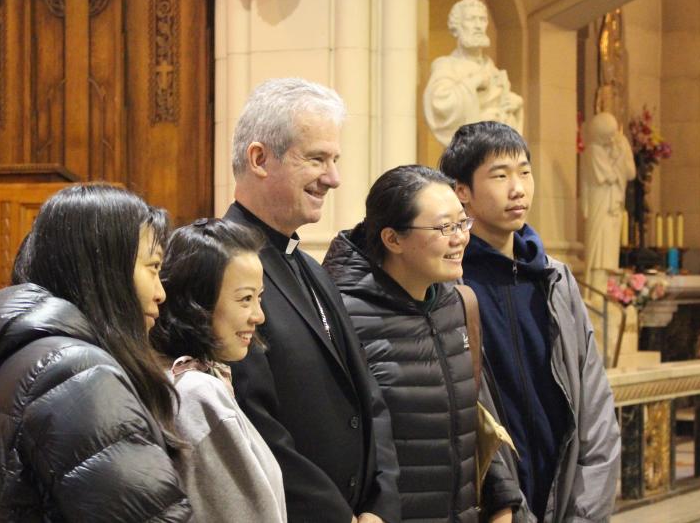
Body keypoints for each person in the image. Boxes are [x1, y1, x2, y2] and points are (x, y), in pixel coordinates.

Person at [0, 184, 192, 522]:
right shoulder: (78, 377)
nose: (160, 293)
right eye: (153, 267)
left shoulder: (31, 361)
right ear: (106, 271)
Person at [224, 77, 400, 523]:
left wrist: (380, 504)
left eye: (335, 159)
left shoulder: (313, 269)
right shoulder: (220, 270)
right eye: (317, 158)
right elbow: (251, 420)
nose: (334, 178)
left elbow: (368, 397)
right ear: (260, 159)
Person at [438, 121, 620, 522]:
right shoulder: (449, 285)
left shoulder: (554, 279)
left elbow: (596, 409)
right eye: (500, 176)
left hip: (567, 498)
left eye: (524, 171)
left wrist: (585, 515)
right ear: (461, 191)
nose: (518, 188)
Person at [323, 165, 522, 523]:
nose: (460, 238)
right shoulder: (340, 316)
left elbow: (475, 420)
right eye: (445, 227)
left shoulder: (458, 304)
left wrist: (503, 502)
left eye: (463, 223)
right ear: (392, 239)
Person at [150, 218, 286, 523]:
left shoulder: (193, 380)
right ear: (197, 301)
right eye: (245, 299)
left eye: (259, 297)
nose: (258, 316)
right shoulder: (197, 393)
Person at [423, 0, 523, 147]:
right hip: (469, 155)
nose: (478, 26)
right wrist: (472, 83)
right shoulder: (446, 66)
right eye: (471, 19)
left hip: (496, 151)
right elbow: (440, 104)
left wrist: (516, 107)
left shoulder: (493, 70)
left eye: (482, 20)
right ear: (457, 26)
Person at [581, 111, 636, 295]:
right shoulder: (594, 150)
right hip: (601, 205)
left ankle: (605, 289)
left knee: (608, 249)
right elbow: (610, 175)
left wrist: (622, 151)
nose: (614, 139)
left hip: (612, 205)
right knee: (599, 247)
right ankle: (596, 292)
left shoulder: (610, 148)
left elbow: (630, 173)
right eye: (610, 136)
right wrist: (619, 155)